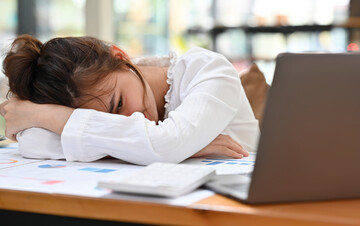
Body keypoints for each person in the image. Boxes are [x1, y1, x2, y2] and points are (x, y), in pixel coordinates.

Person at [0, 34, 259, 165]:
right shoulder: (118, 90)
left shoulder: (208, 70)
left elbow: (164, 146)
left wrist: (42, 116)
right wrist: (184, 148)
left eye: (119, 104)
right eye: (103, 120)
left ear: (121, 57)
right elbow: (34, 142)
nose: (130, 120)